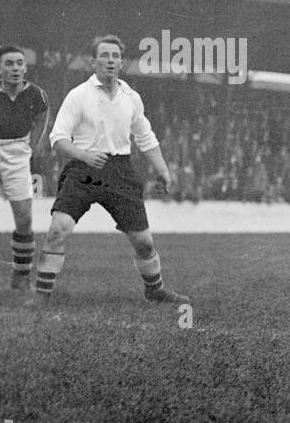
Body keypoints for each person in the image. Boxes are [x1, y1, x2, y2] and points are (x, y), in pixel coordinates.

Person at [27, 34, 189, 306]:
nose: (110, 60)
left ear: (121, 62)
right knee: (58, 228)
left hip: (120, 170)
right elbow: (58, 138)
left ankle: (155, 290)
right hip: (83, 168)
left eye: (115, 56)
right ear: (93, 61)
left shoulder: (131, 98)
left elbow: (145, 137)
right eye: (105, 55)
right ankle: (41, 295)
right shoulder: (78, 95)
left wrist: (163, 169)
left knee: (144, 242)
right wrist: (84, 156)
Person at [0, 45, 50, 289]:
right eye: (9, 63)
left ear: (25, 67)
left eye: (19, 63)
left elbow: (43, 116)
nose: (15, 68)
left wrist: (34, 145)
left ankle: (20, 276)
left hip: (18, 152)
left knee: (24, 218)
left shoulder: (37, 94)